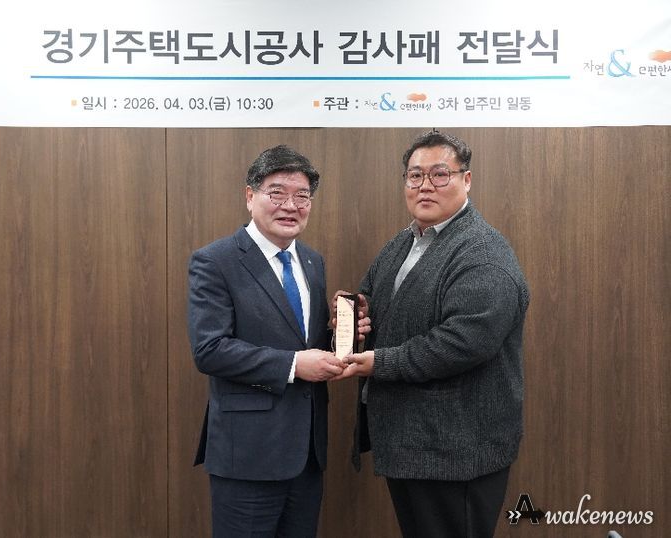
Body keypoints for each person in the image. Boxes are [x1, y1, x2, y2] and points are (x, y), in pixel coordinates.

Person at [334, 131, 530, 538]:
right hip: (412, 444)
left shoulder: (483, 253)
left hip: (456, 453)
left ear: (466, 180)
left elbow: (463, 342)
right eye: (415, 175)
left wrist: (378, 362)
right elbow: (374, 298)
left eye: (440, 174)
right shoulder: (405, 242)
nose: (425, 185)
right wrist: (356, 313)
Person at [188, 145, 348, 537]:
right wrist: (294, 366)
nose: (290, 206)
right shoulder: (216, 260)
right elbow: (210, 349)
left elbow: (302, 340)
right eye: (277, 193)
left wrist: (343, 334)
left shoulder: (312, 261)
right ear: (250, 196)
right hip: (248, 455)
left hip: (307, 455)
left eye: (302, 196)